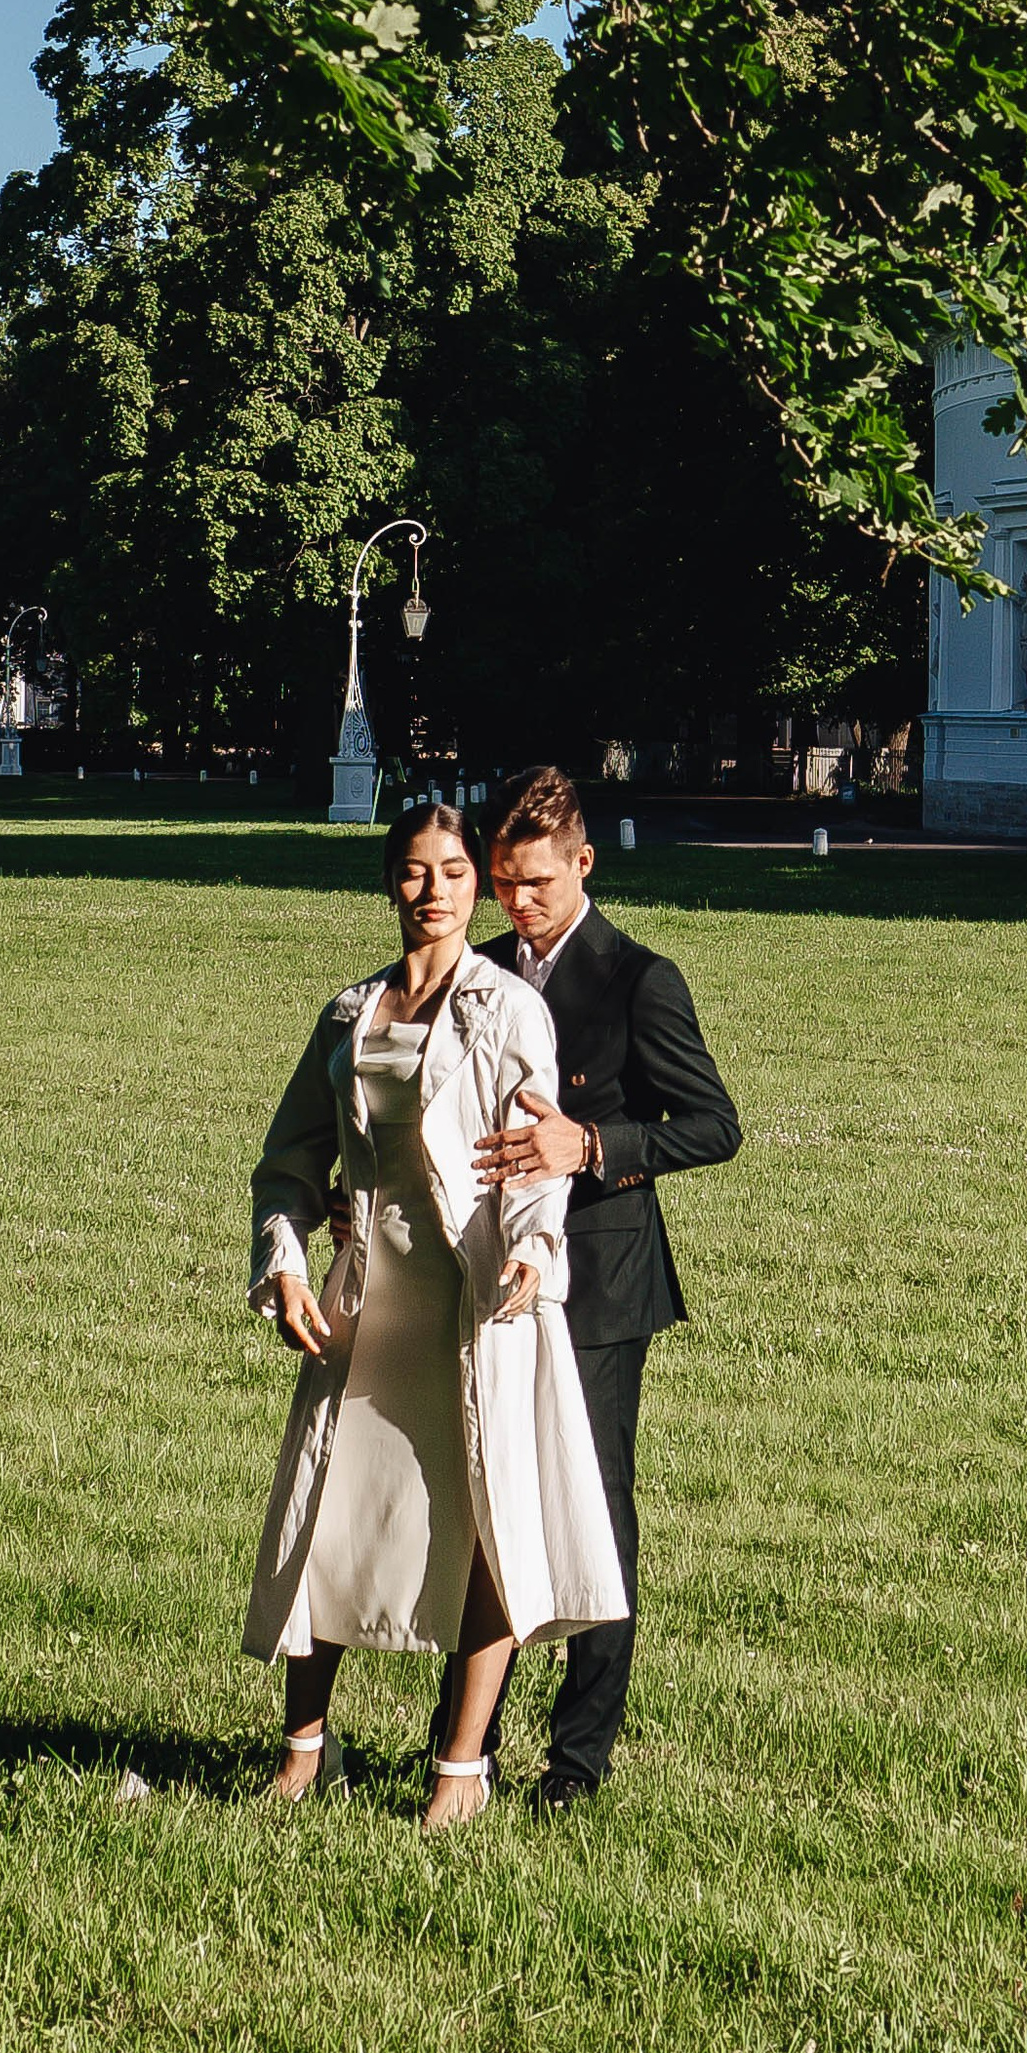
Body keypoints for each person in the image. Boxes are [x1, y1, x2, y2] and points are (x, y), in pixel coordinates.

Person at [242, 798, 626, 1830]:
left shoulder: (507, 1009)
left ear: (478, 884)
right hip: (366, 1301)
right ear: (388, 882)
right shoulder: (346, 1012)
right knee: (321, 1521)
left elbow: (531, 1154)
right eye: (414, 872)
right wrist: (282, 1266)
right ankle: (302, 1751)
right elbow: (286, 1166)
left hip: (479, 1302)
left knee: (485, 1524)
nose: (434, 891)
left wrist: (535, 1255)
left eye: (453, 872)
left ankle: (462, 1767)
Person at [449, 763, 742, 1811]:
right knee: (487, 1504)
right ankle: (462, 1747)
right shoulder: (474, 974)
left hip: (604, 1285)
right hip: (488, 1273)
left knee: (592, 1513)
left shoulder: (637, 977)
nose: (517, 906)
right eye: (502, 884)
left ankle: (577, 1762)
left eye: (536, 883)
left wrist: (594, 1145)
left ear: (584, 862)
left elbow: (715, 1126)